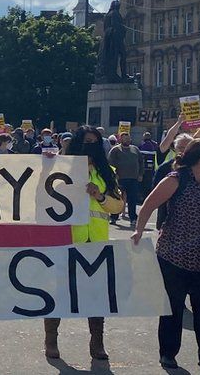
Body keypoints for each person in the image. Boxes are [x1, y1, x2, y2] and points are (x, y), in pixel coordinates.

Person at [132, 139, 200, 372]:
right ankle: (168, 354)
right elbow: (148, 205)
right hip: (174, 256)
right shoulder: (176, 180)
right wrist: (139, 229)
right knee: (173, 308)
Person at [44, 125, 124, 361]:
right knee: (59, 292)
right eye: (85, 142)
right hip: (66, 239)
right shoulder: (61, 168)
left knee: (97, 295)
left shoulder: (106, 171)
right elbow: (41, 194)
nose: (89, 147)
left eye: (94, 143)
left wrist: (100, 196)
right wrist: (47, 164)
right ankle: (51, 340)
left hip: (96, 242)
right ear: (77, 144)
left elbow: (118, 206)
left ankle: (97, 342)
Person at [108, 132, 143, 224]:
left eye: (128, 138)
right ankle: (114, 217)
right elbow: (110, 163)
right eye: (124, 138)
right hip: (120, 178)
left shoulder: (135, 149)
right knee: (117, 198)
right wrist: (114, 174)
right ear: (120, 139)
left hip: (133, 178)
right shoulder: (115, 150)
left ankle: (133, 218)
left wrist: (140, 174)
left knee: (132, 199)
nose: (127, 140)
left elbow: (141, 162)